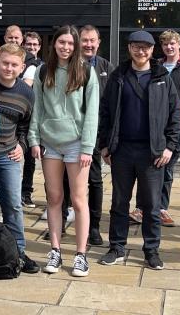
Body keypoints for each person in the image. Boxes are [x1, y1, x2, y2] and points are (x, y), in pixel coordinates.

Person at [98, 30, 180, 271]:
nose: (141, 51)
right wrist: (105, 144)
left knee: (152, 206)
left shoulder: (163, 76)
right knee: (119, 202)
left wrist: (170, 147)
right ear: (129, 48)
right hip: (122, 150)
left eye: (145, 47)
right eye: (136, 46)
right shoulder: (118, 75)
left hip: (153, 153)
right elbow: (105, 111)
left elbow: (176, 113)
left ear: (153, 50)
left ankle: (151, 251)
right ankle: (117, 247)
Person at [28, 25, 100, 277]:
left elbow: (92, 113)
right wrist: (34, 139)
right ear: (54, 44)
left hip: (76, 144)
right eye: (62, 42)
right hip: (50, 144)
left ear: (76, 45)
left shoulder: (86, 72)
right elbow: (37, 108)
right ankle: (55, 250)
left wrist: (88, 147)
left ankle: (80, 254)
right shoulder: (42, 71)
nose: (66, 47)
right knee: (54, 199)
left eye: (70, 43)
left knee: (79, 200)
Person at [135, 30, 180, 228]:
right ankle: (141, 208)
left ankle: (161, 208)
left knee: (167, 169)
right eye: (165, 44)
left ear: (179, 44)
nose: (169, 47)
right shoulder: (154, 66)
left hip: (174, 128)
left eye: (172, 43)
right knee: (146, 167)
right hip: (152, 126)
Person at [0, 43, 39, 274]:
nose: (8, 68)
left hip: (9, 154)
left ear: (22, 67)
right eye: (5, 62)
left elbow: (27, 125)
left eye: (14, 65)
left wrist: (22, 145)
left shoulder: (27, 93)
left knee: (14, 205)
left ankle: (17, 252)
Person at [80, 25, 110, 246]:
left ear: (98, 42)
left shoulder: (107, 68)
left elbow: (111, 105)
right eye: (85, 40)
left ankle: (95, 227)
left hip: (96, 135)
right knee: (64, 180)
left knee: (95, 180)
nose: (89, 45)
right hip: (69, 133)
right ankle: (61, 222)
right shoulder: (68, 66)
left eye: (92, 40)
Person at [20, 31, 44, 207]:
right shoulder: (18, 64)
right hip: (19, 116)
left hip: (35, 118)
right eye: (29, 44)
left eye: (35, 45)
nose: (32, 47)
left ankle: (26, 192)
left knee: (30, 158)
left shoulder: (43, 66)